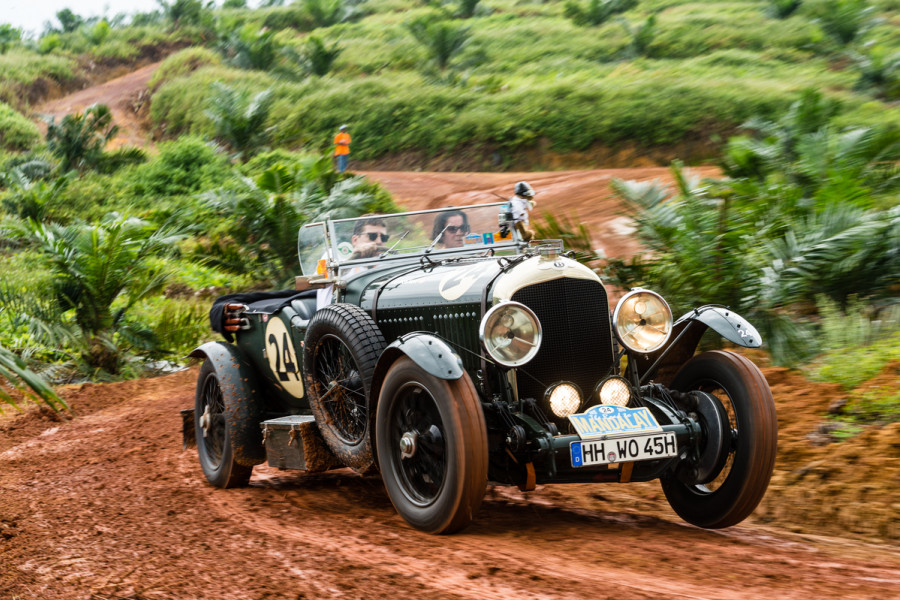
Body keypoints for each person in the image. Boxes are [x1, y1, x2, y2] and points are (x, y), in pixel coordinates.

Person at [316, 215, 388, 309]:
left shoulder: (387, 264)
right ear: (355, 240)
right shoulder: (332, 255)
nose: (379, 241)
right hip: (332, 316)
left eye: (383, 237)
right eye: (372, 236)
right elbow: (320, 281)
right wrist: (353, 258)